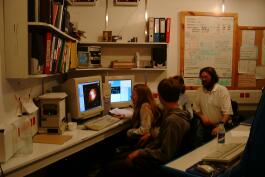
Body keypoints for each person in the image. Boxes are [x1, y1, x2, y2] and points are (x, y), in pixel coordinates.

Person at [97, 78, 191, 177]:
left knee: (110, 167)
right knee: (115, 159)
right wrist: (150, 134)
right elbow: (166, 137)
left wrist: (139, 152)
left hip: (155, 161)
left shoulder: (173, 120)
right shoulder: (176, 113)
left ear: (160, 96)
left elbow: (165, 155)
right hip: (152, 151)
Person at [193, 66, 233, 145]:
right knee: (198, 143)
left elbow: (227, 113)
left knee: (220, 146)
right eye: (201, 77)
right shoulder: (199, 91)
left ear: (213, 77)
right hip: (206, 125)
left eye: (205, 77)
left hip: (221, 124)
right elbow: (195, 108)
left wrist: (220, 126)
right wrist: (202, 116)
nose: (203, 79)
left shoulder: (222, 90)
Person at [125, 84, 161, 148]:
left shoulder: (145, 106)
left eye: (134, 95)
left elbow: (144, 130)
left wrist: (129, 132)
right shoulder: (149, 103)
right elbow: (144, 118)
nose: (131, 96)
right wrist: (126, 116)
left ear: (141, 96)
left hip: (146, 143)